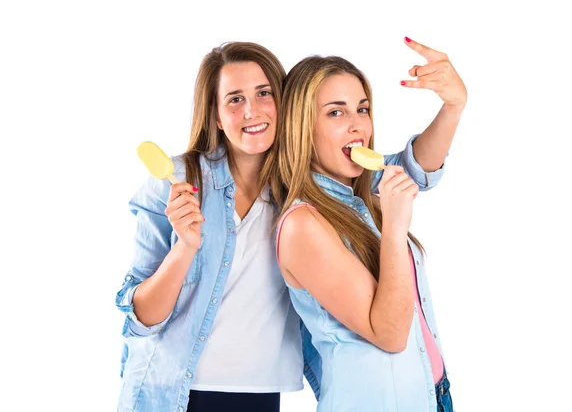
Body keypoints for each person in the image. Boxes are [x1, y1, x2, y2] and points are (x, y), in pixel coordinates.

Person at [115, 38, 459, 412]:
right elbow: (142, 317)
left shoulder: (301, 183)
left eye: (264, 93)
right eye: (234, 99)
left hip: (262, 393)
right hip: (175, 393)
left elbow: (409, 170)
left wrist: (454, 105)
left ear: (286, 106)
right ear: (214, 114)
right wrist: (184, 247)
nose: (252, 111)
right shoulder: (176, 182)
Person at [275, 39, 466, 411]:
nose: (356, 126)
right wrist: (394, 231)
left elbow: (419, 167)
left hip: (433, 397)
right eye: (335, 113)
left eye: (362, 109)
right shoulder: (303, 225)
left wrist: (454, 104)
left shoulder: (359, 196)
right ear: (301, 128)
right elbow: (390, 333)